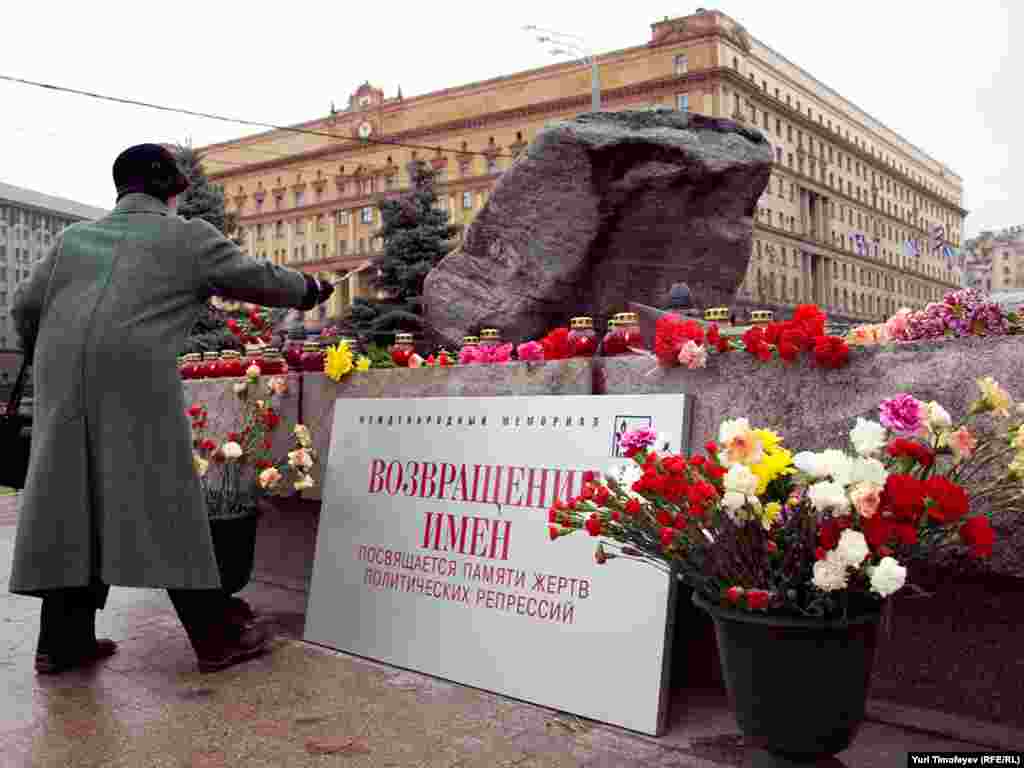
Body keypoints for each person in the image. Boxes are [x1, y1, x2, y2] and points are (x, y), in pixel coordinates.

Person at [8, 143, 335, 675]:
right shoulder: (186, 236)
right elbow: (255, 276)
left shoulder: (73, 239)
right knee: (165, 498)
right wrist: (310, 290)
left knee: (73, 501)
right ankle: (215, 637)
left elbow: (25, 305)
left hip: (62, 382)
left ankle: (62, 643)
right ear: (170, 188)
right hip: (134, 380)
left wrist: (45, 349)